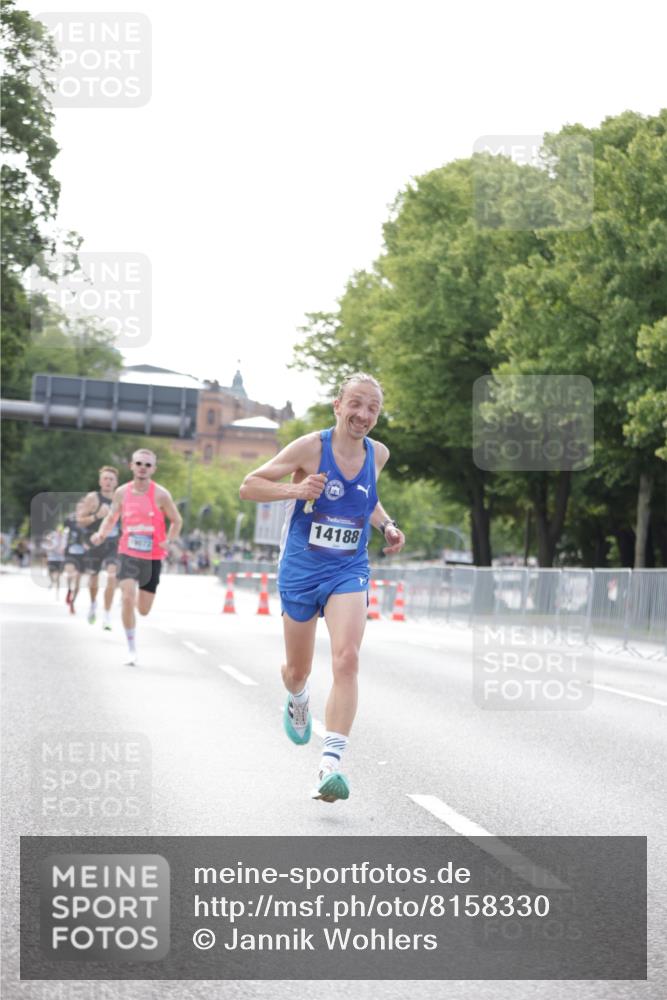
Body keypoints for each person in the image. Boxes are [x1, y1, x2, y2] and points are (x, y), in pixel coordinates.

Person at [239, 373, 405, 803]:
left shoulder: (378, 454)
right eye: (356, 404)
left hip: (348, 568)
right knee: (298, 670)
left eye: (372, 408)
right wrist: (296, 488)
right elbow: (249, 485)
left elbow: (365, 501)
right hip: (301, 567)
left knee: (347, 659)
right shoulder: (311, 448)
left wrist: (386, 524)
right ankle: (297, 697)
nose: (363, 415)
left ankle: (329, 765)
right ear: (338, 405)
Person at [90, 448, 183, 665]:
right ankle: (131, 648)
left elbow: (177, 521)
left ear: (153, 469)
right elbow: (112, 517)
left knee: (143, 609)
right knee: (127, 597)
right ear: (131, 466)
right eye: (139, 463)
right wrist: (101, 534)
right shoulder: (122, 492)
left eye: (147, 465)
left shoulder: (161, 494)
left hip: (152, 557)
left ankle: (130, 606)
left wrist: (169, 540)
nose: (143, 468)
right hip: (127, 552)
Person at [77, 465, 121, 629]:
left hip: (113, 543)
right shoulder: (92, 498)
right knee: (93, 578)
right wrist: (97, 515)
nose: (108, 482)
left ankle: (107, 615)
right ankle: (93, 603)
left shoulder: (121, 498)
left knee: (112, 576)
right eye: (105, 478)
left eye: (111, 479)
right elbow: (80, 520)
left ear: (116, 482)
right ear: (100, 481)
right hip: (95, 542)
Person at [63, 506, 90, 614]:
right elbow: (64, 523)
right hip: (70, 552)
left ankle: (73, 603)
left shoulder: (89, 523)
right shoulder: (71, 522)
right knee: (70, 574)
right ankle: (69, 590)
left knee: (78, 582)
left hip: (82, 556)